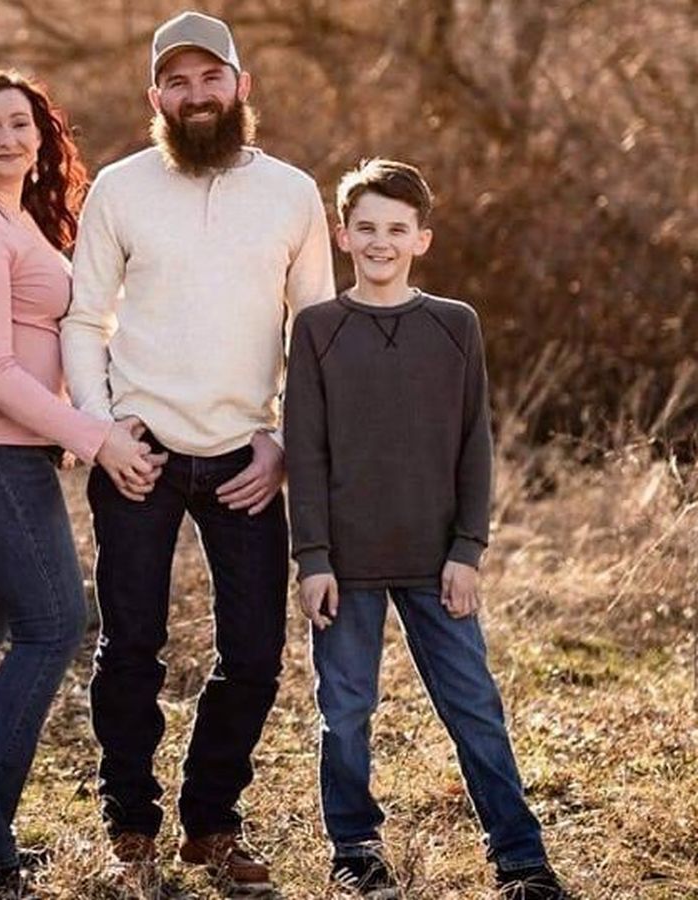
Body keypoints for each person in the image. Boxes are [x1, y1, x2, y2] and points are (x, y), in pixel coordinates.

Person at [61, 11, 337, 892]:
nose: (197, 95)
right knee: (130, 648)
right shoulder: (120, 188)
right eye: (177, 83)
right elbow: (82, 319)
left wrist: (283, 443)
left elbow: (314, 333)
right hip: (138, 451)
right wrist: (102, 429)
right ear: (156, 98)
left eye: (211, 77)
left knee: (254, 654)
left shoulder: (292, 193)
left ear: (241, 86)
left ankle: (211, 823)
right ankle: (130, 827)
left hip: (244, 459)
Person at [285, 158, 573, 900]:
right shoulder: (317, 330)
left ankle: (521, 858)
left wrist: (468, 550)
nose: (380, 242)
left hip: (437, 559)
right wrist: (312, 557)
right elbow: (305, 452)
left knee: (474, 707)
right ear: (343, 236)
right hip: (345, 565)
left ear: (422, 239)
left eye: (396, 229)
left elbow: (474, 444)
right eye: (366, 227)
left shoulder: (454, 325)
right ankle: (355, 848)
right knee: (345, 710)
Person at [0, 68, 160, 891]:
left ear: (43, 135)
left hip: (9, 454)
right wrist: (95, 438)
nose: (7, 138)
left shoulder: (15, 217)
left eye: (21, 123)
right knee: (54, 625)